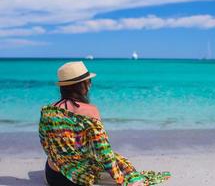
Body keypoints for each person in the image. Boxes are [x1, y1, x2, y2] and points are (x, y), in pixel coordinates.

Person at [39, 61, 171, 186]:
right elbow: (104, 152)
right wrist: (120, 180)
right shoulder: (90, 111)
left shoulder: (47, 111)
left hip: (52, 176)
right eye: (88, 82)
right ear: (82, 85)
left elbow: (46, 146)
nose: (90, 85)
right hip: (76, 180)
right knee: (119, 163)